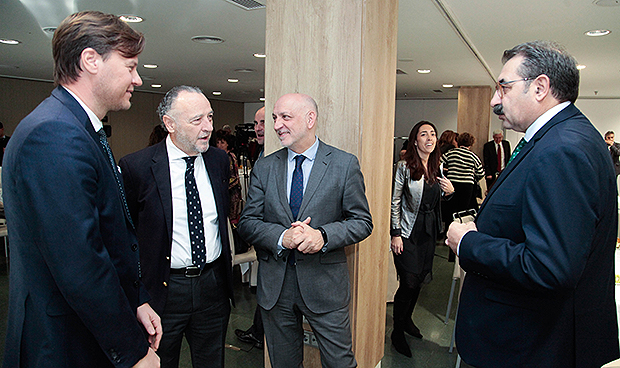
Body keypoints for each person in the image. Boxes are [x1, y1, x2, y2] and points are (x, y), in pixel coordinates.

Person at [2, 10, 162, 367]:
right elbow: (80, 262)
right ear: (90, 60)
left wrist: (136, 300)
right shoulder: (54, 135)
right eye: (130, 66)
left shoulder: (78, 129)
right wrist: (133, 352)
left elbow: (109, 232)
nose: (137, 79)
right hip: (63, 344)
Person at [446, 41, 620, 368]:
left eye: (504, 88)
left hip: (535, 345)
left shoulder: (562, 149)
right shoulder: (559, 139)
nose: (495, 100)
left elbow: (549, 266)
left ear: (540, 87)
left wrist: (468, 242)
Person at [238, 93, 373, 368]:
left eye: (285, 117)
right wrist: (280, 237)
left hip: (325, 286)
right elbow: (248, 222)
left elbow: (361, 221)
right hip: (276, 288)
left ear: (310, 119)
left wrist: (322, 236)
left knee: (340, 363)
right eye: (275, 118)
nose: (276, 125)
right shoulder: (264, 167)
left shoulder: (344, 164)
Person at [119, 86, 234, 368]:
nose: (208, 127)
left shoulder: (218, 161)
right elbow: (124, 236)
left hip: (212, 287)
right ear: (169, 124)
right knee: (160, 362)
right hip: (162, 290)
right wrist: (136, 296)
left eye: (210, 117)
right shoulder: (137, 167)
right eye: (197, 120)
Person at [389, 121, 454, 357]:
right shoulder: (404, 166)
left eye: (433, 134)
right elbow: (395, 201)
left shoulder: (439, 165)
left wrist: (449, 194)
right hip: (407, 232)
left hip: (428, 231)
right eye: (423, 134)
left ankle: (407, 320)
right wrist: (395, 233)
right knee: (407, 282)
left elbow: (437, 201)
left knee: (418, 281)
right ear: (415, 140)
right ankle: (397, 332)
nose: (429, 138)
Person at [234, 106, 266, 350]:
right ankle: (258, 331)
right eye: (256, 123)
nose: (258, 128)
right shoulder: (262, 153)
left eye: (264, 122)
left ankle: (259, 332)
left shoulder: (273, 155)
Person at [441, 132, 484, 237]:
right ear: (471, 143)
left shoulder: (451, 153)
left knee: (451, 210)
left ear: (458, 141)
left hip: (452, 185)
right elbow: (481, 173)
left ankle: (448, 233)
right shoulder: (473, 156)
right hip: (467, 187)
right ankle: (460, 235)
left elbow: (440, 162)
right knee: (462, 212)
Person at [215, 131, 243, 224]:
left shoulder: (230, 157)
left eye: (222, 143)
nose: (219, 145)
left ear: (227, 144)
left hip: (232, 194)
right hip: (224, 192)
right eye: (218, 142)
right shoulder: (217, 157)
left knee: (232, 220)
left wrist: (222, 187)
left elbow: (234, 177)